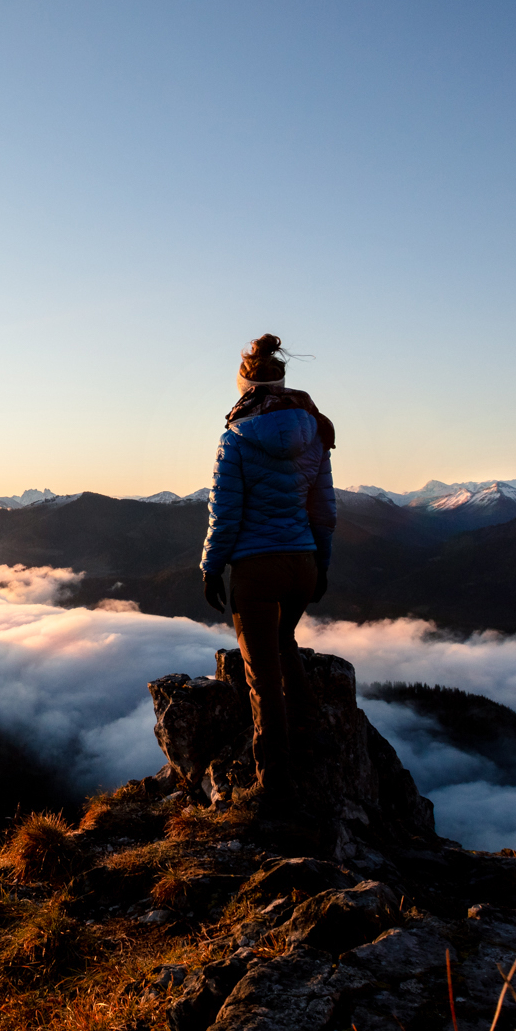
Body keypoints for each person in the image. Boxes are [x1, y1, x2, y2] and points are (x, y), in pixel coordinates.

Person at [199, 333, 337, 809]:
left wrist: (211, 567)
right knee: (284, 643)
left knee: (261, 673)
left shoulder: (235, 438)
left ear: (244, 388)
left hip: (257, 571)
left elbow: (225, 514)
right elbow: (324, 510)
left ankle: (274, 781)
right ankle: (309, 742)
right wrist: (321, 564)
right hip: (302, 563)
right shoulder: (315, 432)